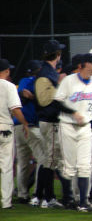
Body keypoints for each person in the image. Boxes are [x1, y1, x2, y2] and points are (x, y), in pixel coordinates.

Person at [54, 53, 92, 212]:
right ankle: (68, 198)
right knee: (69, 167)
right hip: (67, 126)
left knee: (85, 166)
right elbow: (58, 103)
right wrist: (73, 113)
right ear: (85, 64)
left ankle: (83, 201)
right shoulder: (69, 80)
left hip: (86, 128)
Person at [33, 39, 72, 208]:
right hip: (49, 121)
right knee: (50, 161)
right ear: (57, 54)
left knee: (49, 160)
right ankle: (47, 198)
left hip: (48, 121)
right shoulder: (45, 73)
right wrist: (61, 88)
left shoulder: (47, 71)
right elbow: (43, 100)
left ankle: (42, 197)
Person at [14, 60, 45, 204]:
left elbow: (22, 92)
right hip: (29, 126)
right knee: (42, 159)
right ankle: (37, 194)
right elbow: (24, 92)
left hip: (17, 126)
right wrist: (29, 95)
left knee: (22, 162)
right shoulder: (31, 80)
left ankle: (22, 194)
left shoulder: (24, 80)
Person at [0, 58, 29, 209]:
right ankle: (5, 203)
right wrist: (24, 123)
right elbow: (15, 109)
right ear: (6, 71)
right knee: (6, 167)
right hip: (4, 129)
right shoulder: (9, 86)